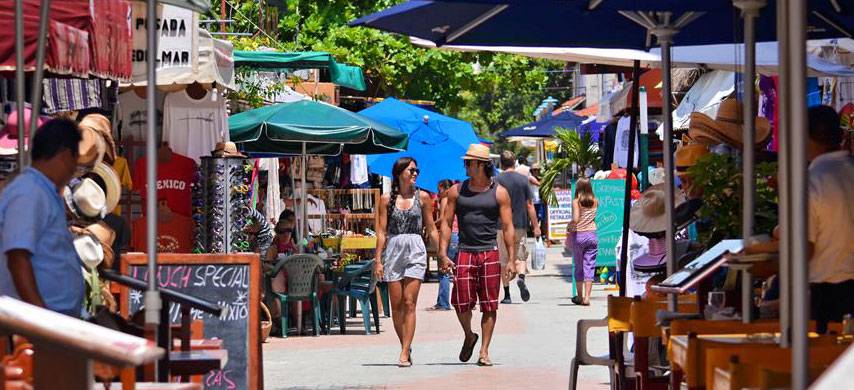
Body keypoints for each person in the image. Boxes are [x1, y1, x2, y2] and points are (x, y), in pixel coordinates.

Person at [439, 144, 516, 367]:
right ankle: (469, 335)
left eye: (469, 162)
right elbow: (445, 223)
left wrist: (510, 259)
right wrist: (443, 253)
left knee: (490, 304)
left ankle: (484, 350)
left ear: (482, 165)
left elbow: (508, 226)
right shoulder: (456, 191)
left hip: (490, 252)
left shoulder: (499, 192)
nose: (465, 165)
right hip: (464, 251)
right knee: (460, 302)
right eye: (466, 162)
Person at [0, 119, 84, 317]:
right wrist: (40, 319)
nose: (73, 170)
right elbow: (17, 258)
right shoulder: (29, 191)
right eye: (75, 160)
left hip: (51, 318)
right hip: (39, 322)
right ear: (66, 155)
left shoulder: (41, 191)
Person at [374, 157, 439, 367]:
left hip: (415, 249)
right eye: (411, 170)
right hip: (393, 249)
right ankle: (405, 343)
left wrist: (442, 255)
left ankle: (404, 351)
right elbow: (381, 232)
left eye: (416, 170)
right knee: (397, 305)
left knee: (410, 302)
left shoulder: (424, 198)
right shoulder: (385, 199)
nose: (415, 173)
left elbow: (431, 228)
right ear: (400, 172)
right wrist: (378, 260)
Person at [801, 105, 853, 333]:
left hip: (830, 294)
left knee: (827, 360)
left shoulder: (813, 180)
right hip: (836, 287)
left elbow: (806, 247)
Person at [495, 150, 541, 304]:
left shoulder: (496, 180)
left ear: (501, 163)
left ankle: (507, 295)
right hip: (520, 225)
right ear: (514, 162)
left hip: (501, 225)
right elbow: (530, 205)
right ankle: (521, 277)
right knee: (520, 257)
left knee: (503, 259)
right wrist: (536, 226)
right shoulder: (523, 180)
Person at [568, 177, 598, 306]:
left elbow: (575, 219)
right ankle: (587, 298)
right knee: (589, 266)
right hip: (592, 236)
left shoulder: (576, 202)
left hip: (579, 236)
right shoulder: (596, 201)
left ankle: (579, 297)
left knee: (579, 267)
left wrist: (569, 225)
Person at [430, 179, 456, 311]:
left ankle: (443, 302)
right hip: (458, 234)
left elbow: (443, 219)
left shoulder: (446, 199)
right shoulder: (456, 198)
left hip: (450, 235)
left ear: (444, 188)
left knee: (444, 269)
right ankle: (461, 300)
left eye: (439, 189)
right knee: (457, 269)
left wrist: (431, 223)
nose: (438, 192)